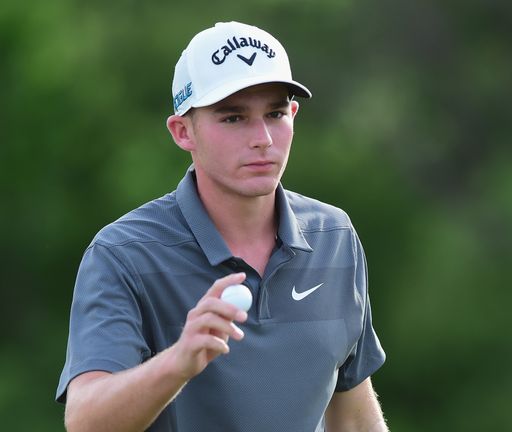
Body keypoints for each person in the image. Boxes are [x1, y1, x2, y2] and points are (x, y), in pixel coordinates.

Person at [56, 21, 387, 432]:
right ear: (183, 131)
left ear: (293, 115)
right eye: (233, 118)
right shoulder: (122, 253)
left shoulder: (334, 238)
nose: (263, 138)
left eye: (276, 113)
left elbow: (354, 419)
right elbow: (86, 421)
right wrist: (178, 362)